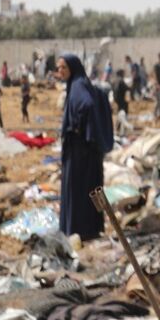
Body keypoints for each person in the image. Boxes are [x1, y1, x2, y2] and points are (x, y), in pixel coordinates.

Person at [56, 54, 114, 240]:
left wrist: (79, 128)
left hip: (79, 152)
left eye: (63, 67)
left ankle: (77, 229)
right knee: (87, 189)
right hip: (85, 152)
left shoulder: (78, 85)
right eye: (59, 68)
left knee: (77, 189)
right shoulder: (77, 83)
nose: (60, 71)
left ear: (72, 68)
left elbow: (86, 105)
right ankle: (89, 228)